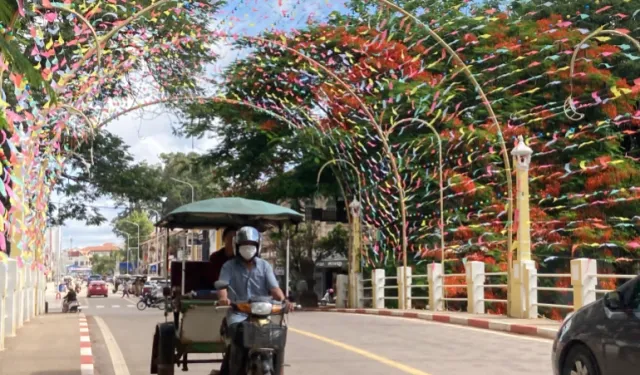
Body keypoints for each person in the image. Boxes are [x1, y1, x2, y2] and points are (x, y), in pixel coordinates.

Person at [214, 226, 292, 375]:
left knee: (277, 339)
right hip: (238, 313)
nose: (248, 249)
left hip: (262, 313)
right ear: (237, 247)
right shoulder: (228, 266)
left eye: (251, 245)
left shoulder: (264, 266)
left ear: (258, 246)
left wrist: (284, 300)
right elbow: (222, 286)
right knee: (237, 339)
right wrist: (224, 299)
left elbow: (274, 288)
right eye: (244, 245)